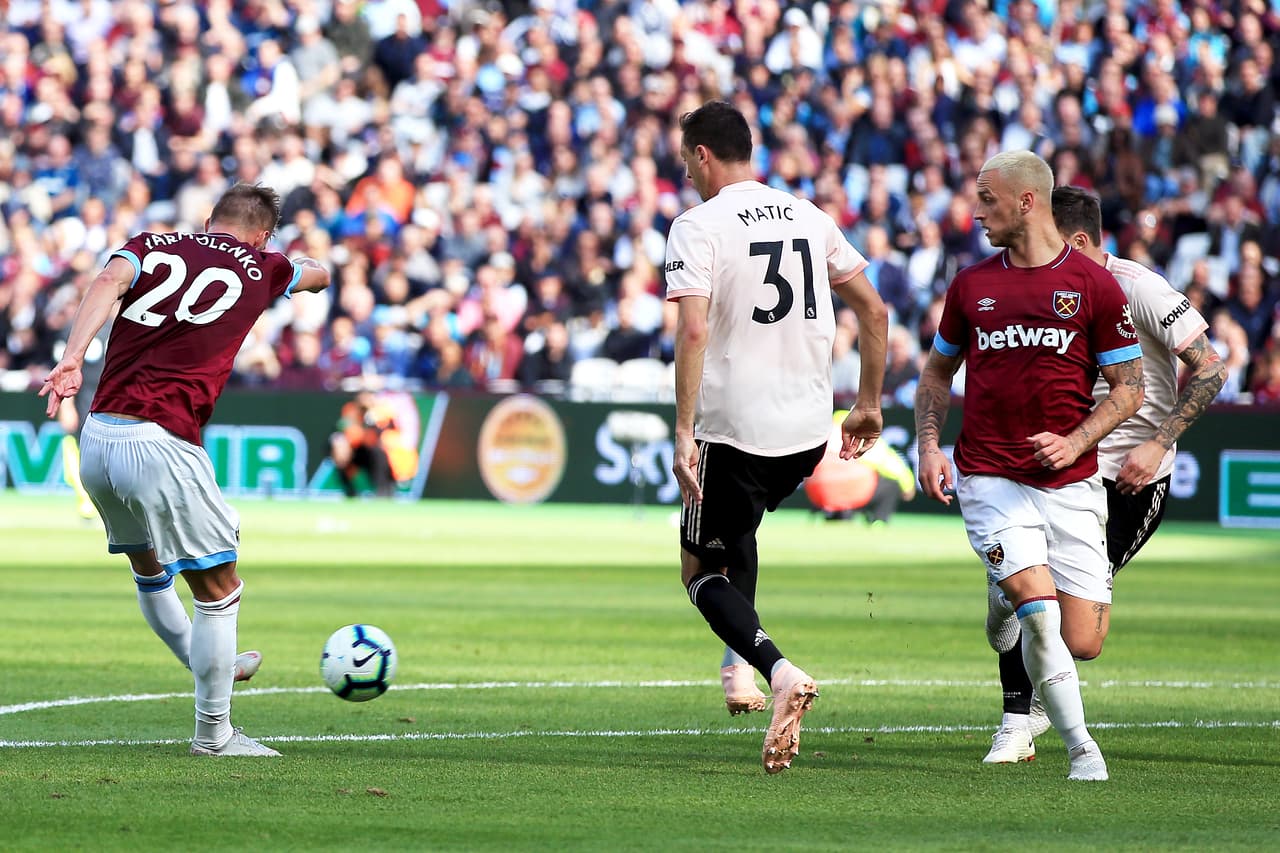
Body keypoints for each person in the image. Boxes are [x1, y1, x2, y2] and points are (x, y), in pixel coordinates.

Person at [39, 183, 331, 757]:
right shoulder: (264, 266)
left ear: (208, 220)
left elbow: (106, 281)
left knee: (149, 569)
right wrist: (298, 264)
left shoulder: (152, 243)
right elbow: (317, 276)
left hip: (100, 435)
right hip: (162, 440)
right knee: (219, 590)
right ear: (262, 235)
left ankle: (206, 660)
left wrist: (71, 358)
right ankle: (215, 735)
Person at [665, 101, 889, 774]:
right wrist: (868, 404)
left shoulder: (697, 225)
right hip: (806, 432)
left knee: (699, 570)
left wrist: (683, 431)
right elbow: (875, 310)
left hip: (734, 428)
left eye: (686, 161)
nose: (687, 173)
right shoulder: (807, 215)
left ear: (703, 154)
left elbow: (694, 330)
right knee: (740, 528)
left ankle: (777, 669)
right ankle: (738, 669)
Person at [914, 151, 1145, 782]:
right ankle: (1082, 751)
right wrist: (929, 445)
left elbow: (1130, 388)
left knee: (1083, 640)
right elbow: (936, 374)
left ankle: (1002, 590)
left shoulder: (1094, 286)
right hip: (989, 474)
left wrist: (1076, 441)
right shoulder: (971, 285)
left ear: (1026, 201)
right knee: (1039, 615)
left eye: (987, 199)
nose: (976, 212)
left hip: (1071, 482)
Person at [980, 186, 1227, 763]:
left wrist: (1158, 442)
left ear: (1078, 239)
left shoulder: (1141, 289)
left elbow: (1212, 369)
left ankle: (1027, 661)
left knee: (1081, 636)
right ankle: (1017, 719)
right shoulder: (1040, 286)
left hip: (1128, 480)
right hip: (1063, 468)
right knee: (1033, 594)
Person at [329, 390, 419, 497]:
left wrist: (372, 417)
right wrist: (342, 442)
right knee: (339, 450)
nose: (364, 397)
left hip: (386, 456)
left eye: (368, 393)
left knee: (377, 452)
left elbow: (388, 437)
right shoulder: (352, 410)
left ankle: (383, 493)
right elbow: (347, 431)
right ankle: (350, 493)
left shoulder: (383, 410)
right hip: (362, 451)